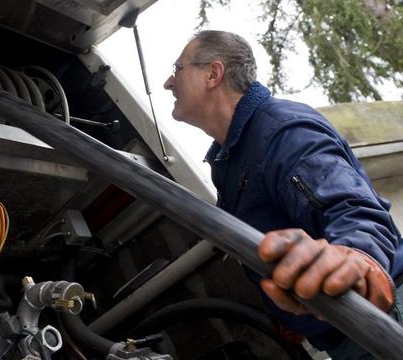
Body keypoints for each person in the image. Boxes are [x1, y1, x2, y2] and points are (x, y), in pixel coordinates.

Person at [163, 30, 403, 357]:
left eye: (177, 69)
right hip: (343, 335)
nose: (168, 82)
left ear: (212, 74)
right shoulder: (228, 159)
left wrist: (360, 261)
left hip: (384, 321)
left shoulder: (281, 131)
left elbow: (355, 211)